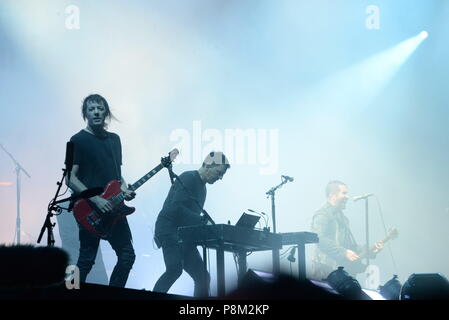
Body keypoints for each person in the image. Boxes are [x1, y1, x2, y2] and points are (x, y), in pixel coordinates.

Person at [66, 94, 136, 287]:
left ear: (106, 112)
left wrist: (125, 189)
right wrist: (96, 199)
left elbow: (117, 175)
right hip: (89, 208)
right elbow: (70, 178)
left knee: (127, 256)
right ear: (85, 114)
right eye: (91, 109)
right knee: (87, 260)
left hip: (114, 207)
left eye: (100, 108)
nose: (96, 112)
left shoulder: (115, 140)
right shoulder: (76, 140)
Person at [153, 151, 230, 297]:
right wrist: (202, 221)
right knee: (174, 269)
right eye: (219, 173)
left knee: (203, 277)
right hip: (168, 230)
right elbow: (176, 207)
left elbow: (189, 216)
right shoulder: (189, 178)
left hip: (183, 235)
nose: (220, 178)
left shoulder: (203, 187)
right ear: (208, 165)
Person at [310, 180, 383, 279]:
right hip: (324, 270)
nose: (347, 196)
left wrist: (371, 250)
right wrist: (344, 252)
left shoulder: (343, 218)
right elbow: (318, 239)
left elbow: (350, 246)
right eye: (344, 193)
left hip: (339, 271)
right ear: (332, 195)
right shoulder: (322, 215)